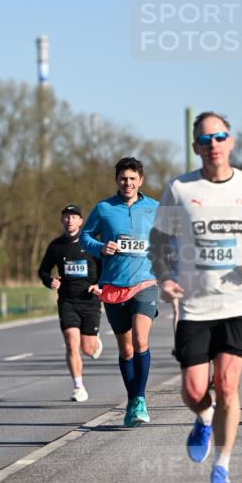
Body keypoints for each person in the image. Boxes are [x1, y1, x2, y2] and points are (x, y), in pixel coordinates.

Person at [149, 112, 242, 483]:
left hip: (239, 299)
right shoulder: (180, 189)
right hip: (195, 303)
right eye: (205, 139)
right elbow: (158, 241)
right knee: (193, 391)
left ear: (230, 141)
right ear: (195, 147)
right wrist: (165, 277)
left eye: (219, 137)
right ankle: (203, 418)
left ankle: (221, 467)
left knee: (226, 384)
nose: (213, 144)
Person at [80, 158, 159, 426]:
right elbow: (85, 237)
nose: (128, 183)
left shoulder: (154, 208)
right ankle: (132, 400)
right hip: (114, 284)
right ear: (117, 181)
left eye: (132, 178)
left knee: (140, 339)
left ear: (141, 181)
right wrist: (100, 247)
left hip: (145, 281)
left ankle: (139, 399)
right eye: (123, 178)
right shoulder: (104, 208)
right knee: (126, 350)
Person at [38, 203, 102, 402]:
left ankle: (95, 341)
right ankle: (78, 386)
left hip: (90, 301)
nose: (69, 220)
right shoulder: (56, 246)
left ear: (81, 221)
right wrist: (50, 281)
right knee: (71, 344)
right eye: (66, 217)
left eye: (74, 217)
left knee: (88, 349)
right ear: (62, 221)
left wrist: (100, 285)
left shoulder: (92, 244)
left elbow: (108, 269)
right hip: (67, 301)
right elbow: (43, 270)